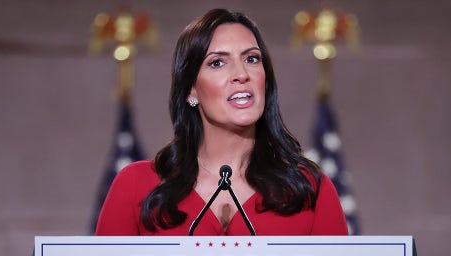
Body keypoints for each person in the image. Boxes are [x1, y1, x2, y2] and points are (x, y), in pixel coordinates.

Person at [95, 8, 348, 236]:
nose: (241, 74)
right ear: (191, 90)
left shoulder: (310, 189)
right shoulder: (136, 185)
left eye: (251, 59)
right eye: (217, 62)